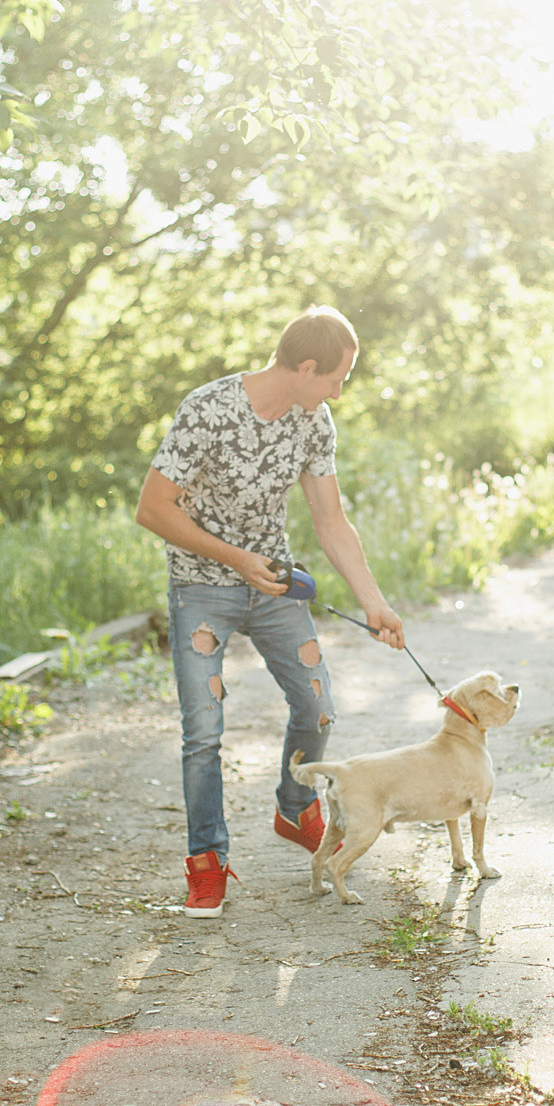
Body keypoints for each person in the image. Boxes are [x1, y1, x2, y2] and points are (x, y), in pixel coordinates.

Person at [135, 306, 406, 918]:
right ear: (306, 368)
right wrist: (234, 559)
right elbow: (152, 509)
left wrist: (375, 604)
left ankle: (294, 806)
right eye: (337, 378)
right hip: (201, 588)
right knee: (203, 732)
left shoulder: (314, 419)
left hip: (277, 586)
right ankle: (207, 865)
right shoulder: (208, 408)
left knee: (317, 706)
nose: (340, 390)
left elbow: (331, 520)